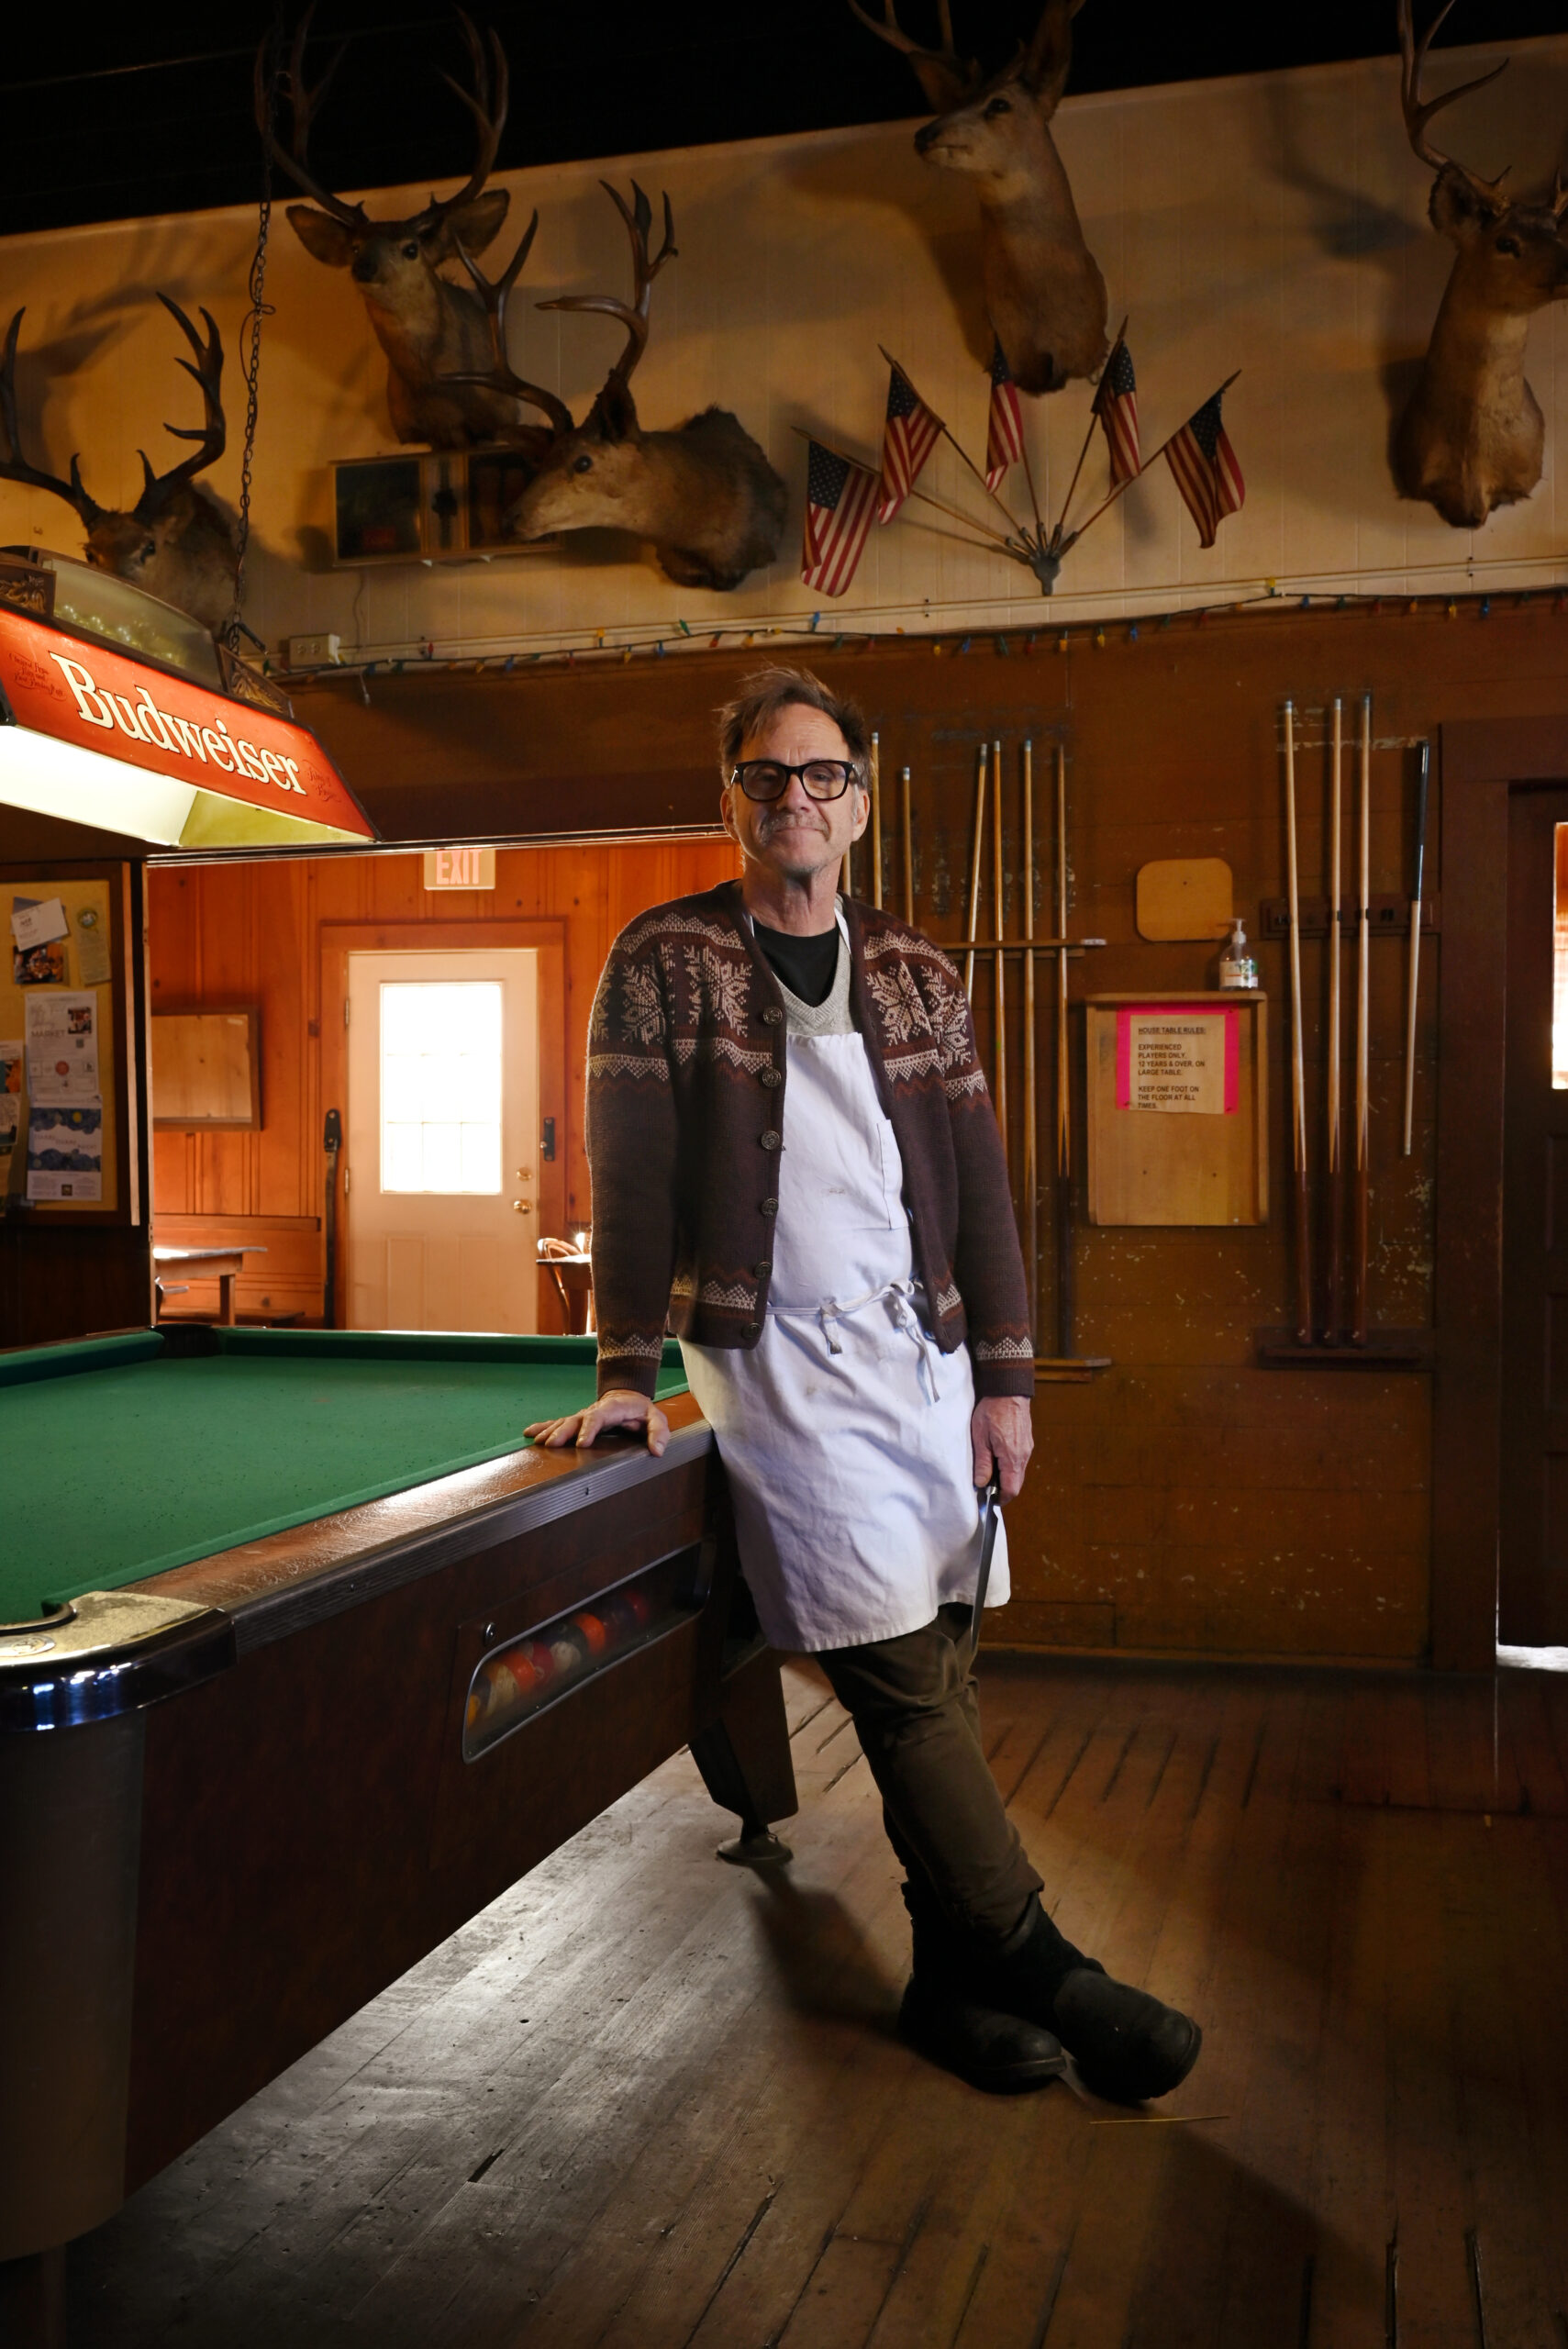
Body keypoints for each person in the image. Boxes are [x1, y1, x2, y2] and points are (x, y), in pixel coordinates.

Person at [528, 667, 1200, 2101]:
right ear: (730, 799)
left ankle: (954, 1991)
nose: (795, 799)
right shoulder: (661, 960)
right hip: (773, 1357)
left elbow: (975, 1190)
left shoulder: (917, 970)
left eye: (821, 774)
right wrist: (625, 1371)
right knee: (895, 1672)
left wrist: (1004, 1379)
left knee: (943, 1646)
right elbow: (633, 1183)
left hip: (924, 1353)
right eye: (767, 776)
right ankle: (1036, 1961)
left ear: (860, 800)